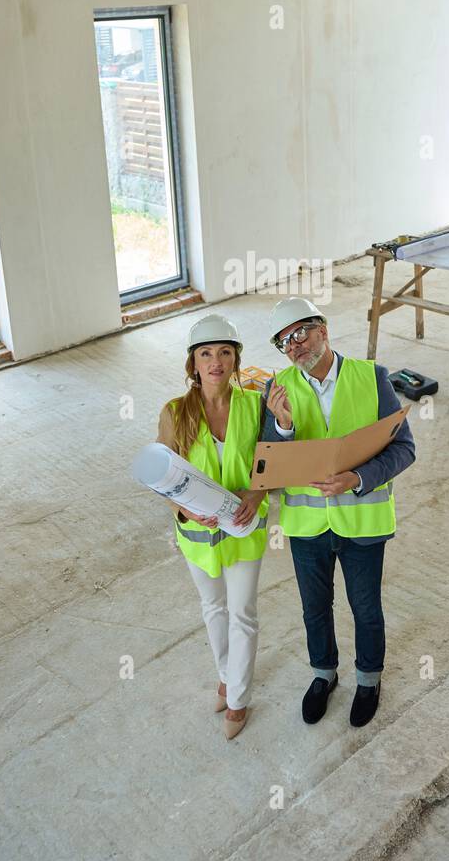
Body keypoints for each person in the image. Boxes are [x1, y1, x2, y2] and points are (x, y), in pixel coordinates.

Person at [262, 297, 415, 728]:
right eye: (283, 341)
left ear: (323, 330)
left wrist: (357, 478)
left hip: (362, 523)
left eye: (300, 333)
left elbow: (404, 449)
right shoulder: (277, 389)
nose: (294, 346)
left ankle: (368, 679)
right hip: (306, 526)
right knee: (315, 607)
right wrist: (284, 427)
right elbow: (268, 464)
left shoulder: (372, 377)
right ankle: (323, 674)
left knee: (365, 608)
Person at [157, 314, 268, 740]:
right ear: (194, 363)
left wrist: (257, 496)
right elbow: (161, 476)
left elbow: (269, 463)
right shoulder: (174, 412)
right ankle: (225, 675)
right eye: (206, 354)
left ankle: (237, 699)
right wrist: (183, 510)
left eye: (224, 352)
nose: (216, 362)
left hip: (244, 530)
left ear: (236, 358)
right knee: (213, 609)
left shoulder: (254, 404)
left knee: (242, 612)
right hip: (197, 536)